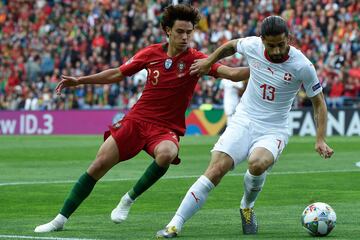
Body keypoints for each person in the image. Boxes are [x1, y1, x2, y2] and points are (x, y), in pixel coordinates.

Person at [34, 4, 249, 233]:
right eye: (180, 31)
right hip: (137, 120)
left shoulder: (197, 60)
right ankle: (59, 220)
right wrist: (80, 80)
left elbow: (232, 73)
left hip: (165, 128)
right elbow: (118, 73)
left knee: (167, 153)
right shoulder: (151, 53)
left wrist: (264, 67)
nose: (185, 37)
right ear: (167, 30)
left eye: (189, 32)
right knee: (98, 164)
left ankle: (129, 198)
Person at [156, 15, 334, 238]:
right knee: (215, 170)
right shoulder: (252, 45)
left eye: (281, 44)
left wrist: (320, 139)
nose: (277, 50)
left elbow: (319, 103)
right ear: (262, 40)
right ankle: (175, 224)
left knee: (257, 164)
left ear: (289, 38)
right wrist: (209, 61)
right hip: (244, 119)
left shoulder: (303, 66)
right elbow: (230, 46)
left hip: (274, 128)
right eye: (271, 45)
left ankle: (247, 207)